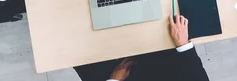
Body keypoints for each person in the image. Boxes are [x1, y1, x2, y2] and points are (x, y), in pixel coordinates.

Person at [75, 14, 209, 81]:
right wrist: (183, 44)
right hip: (163, 67)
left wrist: (114, 80)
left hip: (122, 75)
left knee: (76, 52)